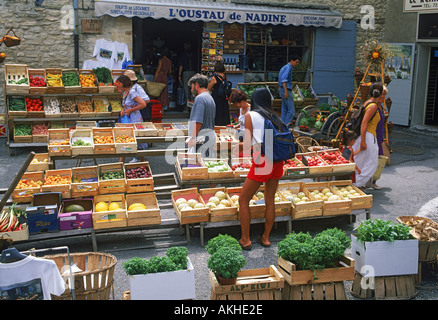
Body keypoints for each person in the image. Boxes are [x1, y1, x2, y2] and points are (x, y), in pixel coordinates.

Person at [238, 87, 287, 250]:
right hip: (278, 160)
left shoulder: (250, 115)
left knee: (243, 199)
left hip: (262, 158)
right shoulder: (275, 116)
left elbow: (246, 146)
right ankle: (266, 237)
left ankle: (245, 239)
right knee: (269, 200)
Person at [352, 82, 384, 188]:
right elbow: (364, 122)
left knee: (360, 162)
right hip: (368, 137)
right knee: (371, 164)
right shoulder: (373, 106)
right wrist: (363, 142)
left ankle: (356, 185)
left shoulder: (367, 103)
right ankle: (356, 185)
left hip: (364, 136)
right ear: (380, 94)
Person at [116, 75, 147, 163]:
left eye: (119, 83)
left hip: (134, 119)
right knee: (127, 137)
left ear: (123, 83)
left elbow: (143, 104)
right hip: (128, 118)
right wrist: (123, 110)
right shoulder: (125, 93)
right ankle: (137, 160)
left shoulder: (132, 92)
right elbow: (126, 105)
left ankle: (140, 160)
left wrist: (131, 110)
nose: (117, 84)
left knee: (135, 138)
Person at [186, 73, 216, 157]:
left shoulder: (200, 98)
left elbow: (198, 122)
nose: (191, 90)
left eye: (192, 87)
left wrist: (192, 138)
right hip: (208, 136)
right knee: (206, 163)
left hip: (201, 138)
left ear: (197, 85)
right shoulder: (209, 97)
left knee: (200, 165)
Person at [124, 70, 150, 161]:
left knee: (137, 137)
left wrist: (135, 105)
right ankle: (138, 158)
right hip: (130, 116)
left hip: (136, 115)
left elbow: (146, 100)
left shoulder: (136, 88)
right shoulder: (128, 90)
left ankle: (139, 158)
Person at [372, 85, 388, 190]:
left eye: (384, 94)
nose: (383, 96)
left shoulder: (381, 107)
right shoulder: (373, 106)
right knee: (372, 160)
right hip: (373, 137)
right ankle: (368, 182)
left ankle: (373, 181)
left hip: (379, 138)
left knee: (378, 160)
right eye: (381, 94)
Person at [278, 55, 300, 128]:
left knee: (284, 109)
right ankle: (286, 127)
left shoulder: (284, 67)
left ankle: (282, 126)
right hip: (285, 89)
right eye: (296, 62)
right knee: (291, 111)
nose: (297, 64)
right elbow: (284, 80)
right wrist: (286, 91)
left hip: (281, 89)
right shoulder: (288, 68)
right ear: (292, 60)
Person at [208, 61, 230, 126]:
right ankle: (225, 124)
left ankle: (218, 124)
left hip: (216, 96)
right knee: (224, 111)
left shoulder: (214, 78)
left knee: (217, 112)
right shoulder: (225, 76)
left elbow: (209, 88)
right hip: (224, 96)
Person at [178, 42, 196, 110]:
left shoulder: (183, 54)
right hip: (193, 72)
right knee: (193, 90)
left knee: (186, 90)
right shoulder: (194, 54)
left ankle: (186, 107)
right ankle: (192, 107)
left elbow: (181, 65)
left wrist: (179, 75)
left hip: (186, 73)